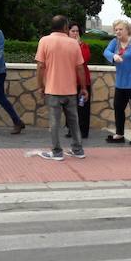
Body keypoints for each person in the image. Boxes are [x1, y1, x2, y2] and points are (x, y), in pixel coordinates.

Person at [35, 15, 88, 161]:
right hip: (70, 90)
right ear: (65, 27)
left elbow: (40, 66)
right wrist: (83, 88)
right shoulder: (73, 44)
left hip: (52, 90)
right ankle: (78, 149)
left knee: (54, 123)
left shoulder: (44, 41)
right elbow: (80, 68)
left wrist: (40, 86)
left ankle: (57, 152)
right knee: (73, 121)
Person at [103, 19, 131, 145]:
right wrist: (113, 56)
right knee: (118, 108)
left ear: (127, 30)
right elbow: (106, 52)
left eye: (120, 29)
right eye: (116, 30)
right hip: (120, 83)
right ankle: (119, 134)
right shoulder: (114, 42)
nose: (118, 32)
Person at [64, 22, 91, 139]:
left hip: (83, 82)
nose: (75, 33)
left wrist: (78, 45)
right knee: (69, 107)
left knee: (83, 108)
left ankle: (83, 131)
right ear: (67, 32)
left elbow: (84, 59)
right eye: (72, 31)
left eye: (77, 31)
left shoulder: (84, 46)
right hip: (69, 81)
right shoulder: (64, 45)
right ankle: (71, 129)